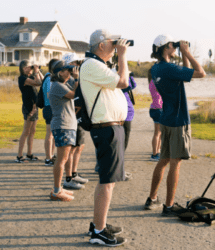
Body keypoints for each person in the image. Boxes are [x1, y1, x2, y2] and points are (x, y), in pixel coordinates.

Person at [144, 34, 206, 215]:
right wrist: (187, 51)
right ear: (166, 48)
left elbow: (185, 76)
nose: (175, 46)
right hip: (178, 120)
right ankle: (169, 206)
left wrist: (183, 55)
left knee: (163, 161)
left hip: (166, 119)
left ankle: (152, 198)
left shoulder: (156, 69)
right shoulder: (169, 68)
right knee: (174, 163)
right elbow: (200, 73)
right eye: (173, 45)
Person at [80, 29, 129, 247]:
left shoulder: (98, 65)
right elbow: (123, 82)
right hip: (106, 128)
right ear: (101, 45)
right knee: (107, 181)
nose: (117, 45)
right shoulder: (92, 65)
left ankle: (99, 224)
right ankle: (98, 232)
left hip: (111, 127)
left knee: (109, 180)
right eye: (113, 42)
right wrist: (122, 55)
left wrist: (117, 55)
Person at [49, 60, 79, 202]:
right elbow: (75, 94)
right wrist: (77, 78)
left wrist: (75, 69)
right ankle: (56, 191)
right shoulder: (58, 86)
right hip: (63, 125)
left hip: (66, 125)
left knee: (64, 159)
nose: (70, 71)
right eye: (68, 69)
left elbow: (76, 86)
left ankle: (59, 188)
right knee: (61, 160)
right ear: (60, 72)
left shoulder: (63, 83)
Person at [61, 53, 89, 190]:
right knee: (71, 149)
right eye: (75, 63)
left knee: (80, 146)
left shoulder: (77, 77)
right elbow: (73, 94)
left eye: (79, 62)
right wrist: (77, 79)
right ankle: (68, 178)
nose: (78, 65)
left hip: (80, 115)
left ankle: (74, 172)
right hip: (71, 116)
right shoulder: (67, 80)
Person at [15, 60, 44, 163]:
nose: (31, 68)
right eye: (29, 67)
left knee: (32, 131)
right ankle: (19, 156)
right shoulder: (22, 79)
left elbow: (43, 81)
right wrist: (36, 72)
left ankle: (29, 154)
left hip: (34, 107)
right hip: (28, 107)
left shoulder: (30, 77)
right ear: (24, 68)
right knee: (26, 131)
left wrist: (38, 71)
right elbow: (38, 83)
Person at [42, 59, 58, 166]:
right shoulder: (48, 79)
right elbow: (49, 95)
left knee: (52, 134)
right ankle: (48, 158)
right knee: (50, 134)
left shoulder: (50, 78)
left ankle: (51, 155)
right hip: (49, 108)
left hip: (52, 108)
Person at [148, 69, 163, 161]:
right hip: (158, 109)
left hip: (155, 108)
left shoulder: (151, 81)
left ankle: (157, 152)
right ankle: (154, 154)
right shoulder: (156, 82)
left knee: (159, 133)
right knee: (157, 133)